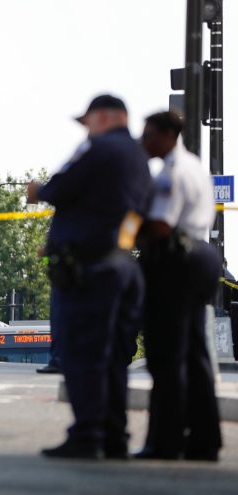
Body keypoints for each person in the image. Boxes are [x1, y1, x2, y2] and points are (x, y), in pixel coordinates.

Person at [27, 94, 150, 459]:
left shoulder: (98, 149)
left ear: (104, 117)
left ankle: (87, 434)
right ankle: (114, 434)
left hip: (90, 268)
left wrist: (38, 191)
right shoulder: (139, 157)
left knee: (83, 355)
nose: (86, 129)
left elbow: (60, 188)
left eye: (88, 121)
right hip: (121, 262)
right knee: (112, 358)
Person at [136, 111, 222, 461]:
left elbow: (160, 225)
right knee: (194, 354)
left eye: (149, 134)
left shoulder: (171, 173)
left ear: (169, 134)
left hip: (176, 260)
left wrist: (125, 236)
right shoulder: (195, 167)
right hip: (201, 256)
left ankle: (165, 441)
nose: (144, 141)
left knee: (166, 356)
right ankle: (204, 440)